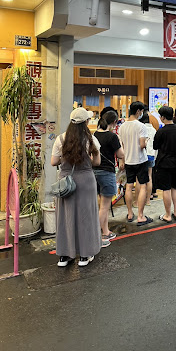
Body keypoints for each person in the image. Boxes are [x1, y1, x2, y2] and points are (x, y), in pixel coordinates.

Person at [51, 108, 103, 267]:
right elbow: (97, 162)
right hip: (86, 181)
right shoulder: (91, 140)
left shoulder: (60, 139)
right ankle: (85, 255)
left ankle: (65, 255)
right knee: (86, 217)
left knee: (65, 217)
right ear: (86, 122)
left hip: (66, 182)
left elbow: (54, 162)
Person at [118, 101, 153, 226]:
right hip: (140, 160)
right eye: (141, 111)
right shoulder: (141, 126)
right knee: (142, 186)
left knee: (128, 186)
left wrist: (122, 160)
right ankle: (140, 216)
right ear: (138, 111)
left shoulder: (122, 126)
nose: (142, 114)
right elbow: (142, 145)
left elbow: (122, 146)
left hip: (128, 160)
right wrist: (147, 141)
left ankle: (129, 214)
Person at [93, 110, 124, 241]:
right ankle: (96, 236)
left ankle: (105, 231)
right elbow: (121, 154)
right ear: (114, 122)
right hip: (107, 172)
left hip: (94, 172)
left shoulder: (95, 134)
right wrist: (120, 142)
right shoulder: (112, 137)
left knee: (102, 205)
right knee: (105, 207)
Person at [153, 106, 176, 223]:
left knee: (166, 189)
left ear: (163, 117)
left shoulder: (161, 131)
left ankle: (167, 215)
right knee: (175, 187)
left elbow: (155, 146)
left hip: (164, 163)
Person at [137, 111, 158, 203]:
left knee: (140, 178)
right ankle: (148, 200)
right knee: (149, 177)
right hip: (151, 155)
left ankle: (138, 200)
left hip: (142, 155)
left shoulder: (141, 129)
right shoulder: (154, 130)